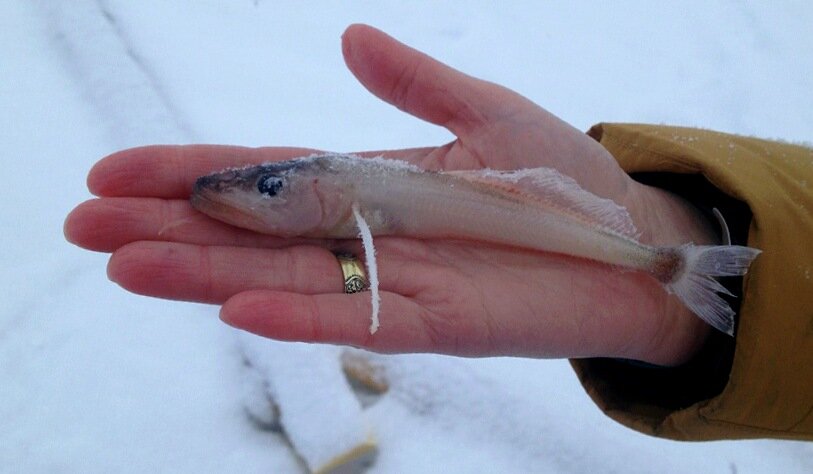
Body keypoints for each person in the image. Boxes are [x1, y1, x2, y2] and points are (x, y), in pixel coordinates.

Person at [64, 24, 812, 441]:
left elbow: (355, 264)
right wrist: (355, 281)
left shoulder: (354, 208)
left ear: (323, 189)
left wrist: (656, 249)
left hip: (652, 253)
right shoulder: (345, 230)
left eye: (271, 188)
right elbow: (355, 272)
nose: (263, 197)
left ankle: (672, 262)